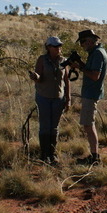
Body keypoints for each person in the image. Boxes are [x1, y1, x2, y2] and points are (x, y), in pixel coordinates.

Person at [28, 36, 70, 164]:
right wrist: (35, 76)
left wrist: (68, 99)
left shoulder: (63, 61)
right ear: (48, 47)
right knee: (45, 127)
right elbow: (39, 77)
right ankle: (44, 154)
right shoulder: (42, 59)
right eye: (55, 46)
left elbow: (66, 81)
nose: (58, 48)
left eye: (59, 46)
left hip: (58, 98)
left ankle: (52, 154)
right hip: (44, 97)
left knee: (54, 128)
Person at [71, 29, 107, 164]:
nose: (81, 45)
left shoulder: (97, 54)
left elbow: (94, 75)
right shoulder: (96, 52)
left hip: (91, 93)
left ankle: (94, 157)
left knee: (88, 125)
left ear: (89, 41)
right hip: (91, 92)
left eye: (82, 42)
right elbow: (92, 70)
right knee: (88, 124)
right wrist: (80, 63)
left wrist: (79, 67)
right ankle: (94, 156)